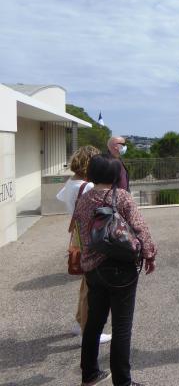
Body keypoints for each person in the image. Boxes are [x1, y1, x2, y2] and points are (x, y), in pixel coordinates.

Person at [75, 154, 157, 386]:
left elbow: (81, 232)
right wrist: (149, 254)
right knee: (122, 326)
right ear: (114, 175)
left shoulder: (83, 199)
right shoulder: (121, 197)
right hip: (121, 268)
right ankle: (123, 381)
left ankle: (89, 374)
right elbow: (140, 228)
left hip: (93, 268)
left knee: (94, 322)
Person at [57, 145, 112, 345]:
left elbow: (61, 199)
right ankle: (88, 330)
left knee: (86, 284)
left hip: (78, 237)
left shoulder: (71, 183)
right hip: (91, 238)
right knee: (92, 287)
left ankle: (80, 321)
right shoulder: (88, 187)